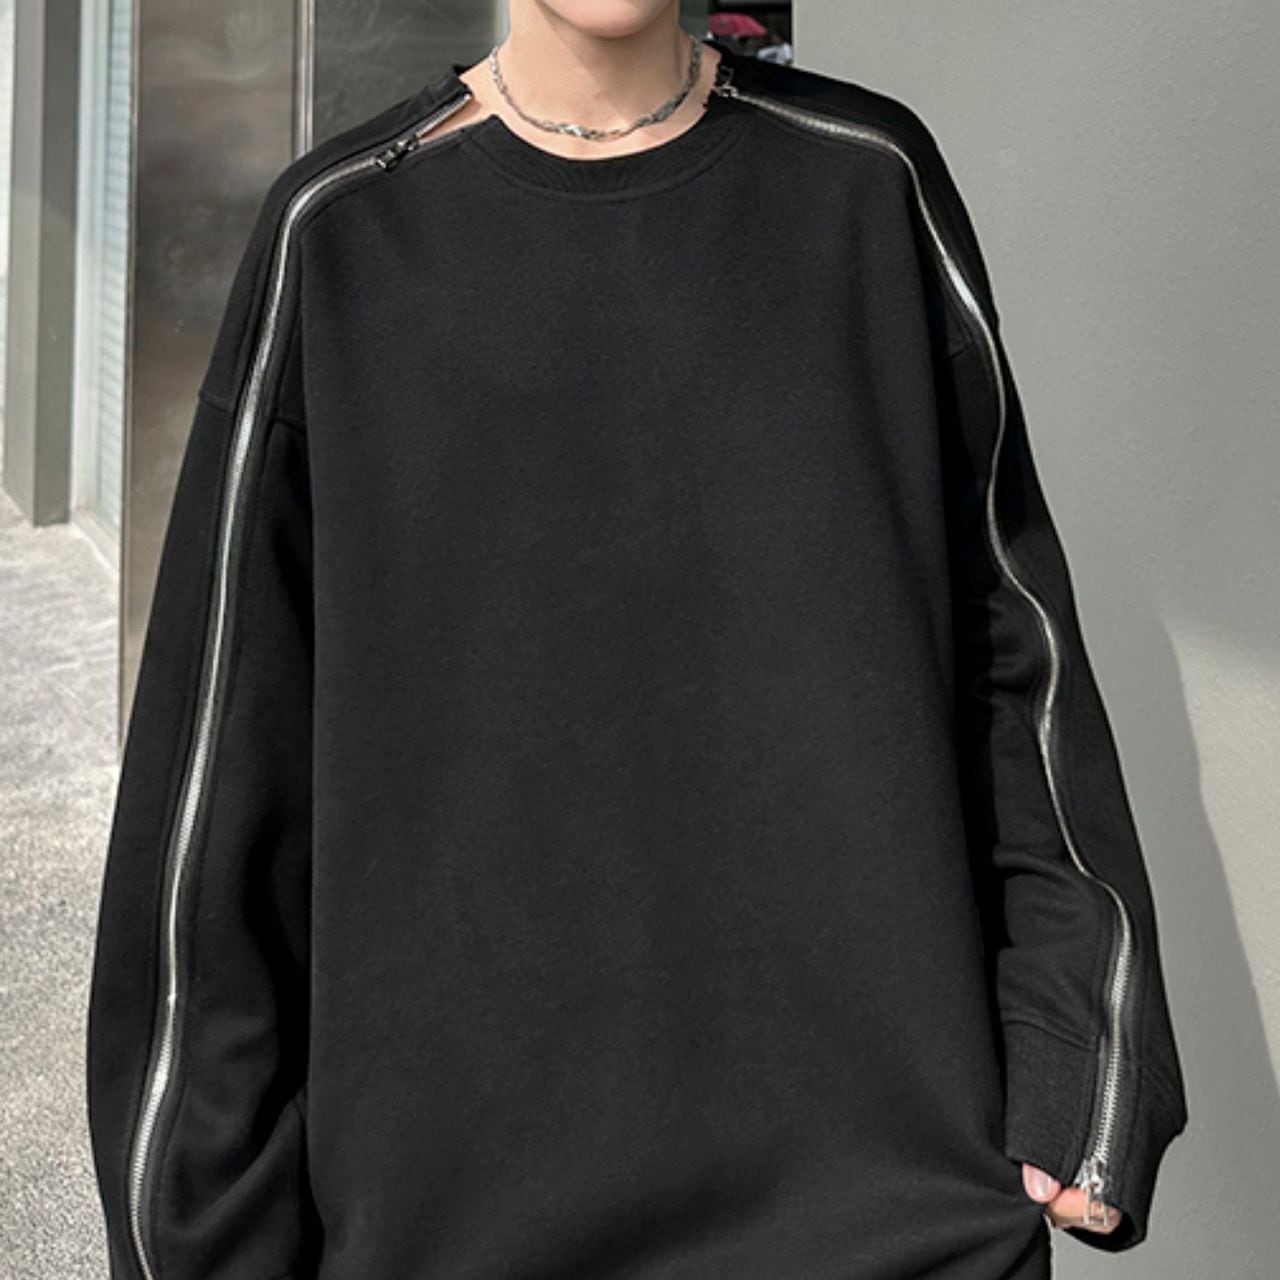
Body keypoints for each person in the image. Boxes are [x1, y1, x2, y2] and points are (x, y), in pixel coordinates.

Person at [85, 3, 1189, 1278]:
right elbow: (220, 790)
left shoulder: (865, 182)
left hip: (887, 1214)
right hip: (457, 1229)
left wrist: (1081, 1055)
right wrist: (203, 1228)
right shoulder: (338, 238)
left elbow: (1015, 652)